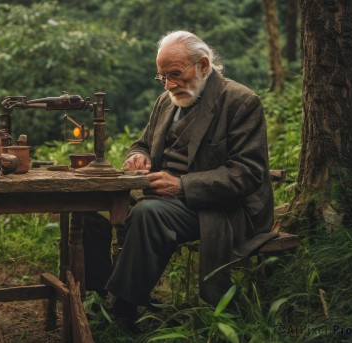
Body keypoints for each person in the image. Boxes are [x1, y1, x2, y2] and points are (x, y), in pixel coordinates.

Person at [93, 30, 277, 330]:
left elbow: (248, 173)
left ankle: (122, 311)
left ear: (203, 65)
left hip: (218, 207)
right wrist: (137, 156)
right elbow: (142, 143)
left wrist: (181, 185)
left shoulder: (241, 102)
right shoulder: (167, 101)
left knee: (148, 214)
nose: (168, 84)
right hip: (164, 197)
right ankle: (94, 292)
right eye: (162, 77)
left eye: (175, 74)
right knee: (92, 211)